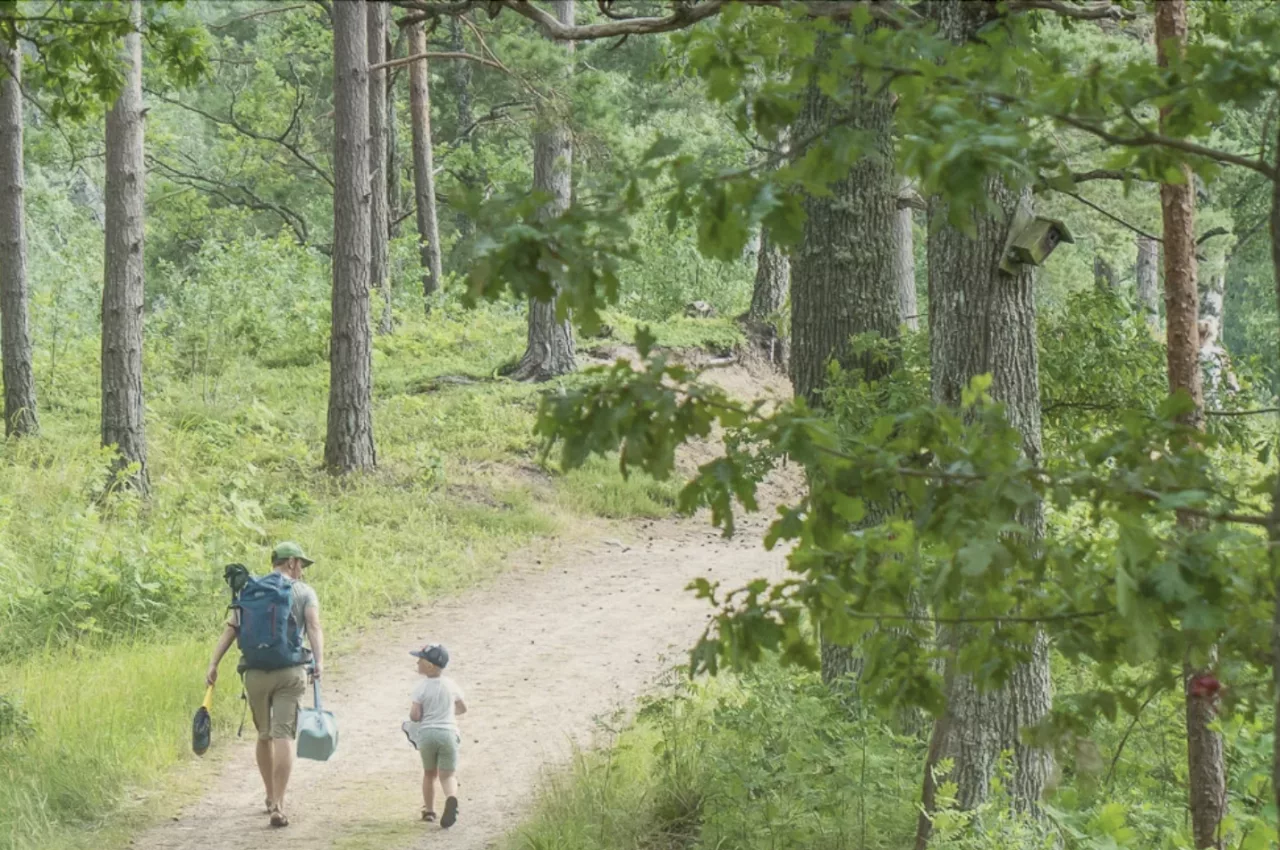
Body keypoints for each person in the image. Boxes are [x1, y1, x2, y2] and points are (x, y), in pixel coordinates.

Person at [206, 542, 324, 829]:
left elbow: (231, 629)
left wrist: (214, 663)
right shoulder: (303, 592)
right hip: (289, 670)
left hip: (255, 673)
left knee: (264, 734)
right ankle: (280, 805)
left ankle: (269, 796)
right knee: (284, 734)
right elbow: (313, 626)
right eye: (301, 566)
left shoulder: (250, 590)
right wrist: (319, 661)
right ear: (292, 562)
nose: (302, 572)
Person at [402, 644, 467, 827]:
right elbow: (462, 708)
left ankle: (429, 811)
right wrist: (446, 713)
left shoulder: (421, 687)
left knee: (430, 774)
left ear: (429, 666)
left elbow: (414, 715)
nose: (417, 662)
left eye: (420, 659)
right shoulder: (451, 684)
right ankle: (451, 798)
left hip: (428, 734)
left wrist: (422, 715)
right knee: (448, 775)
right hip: (448, 733)